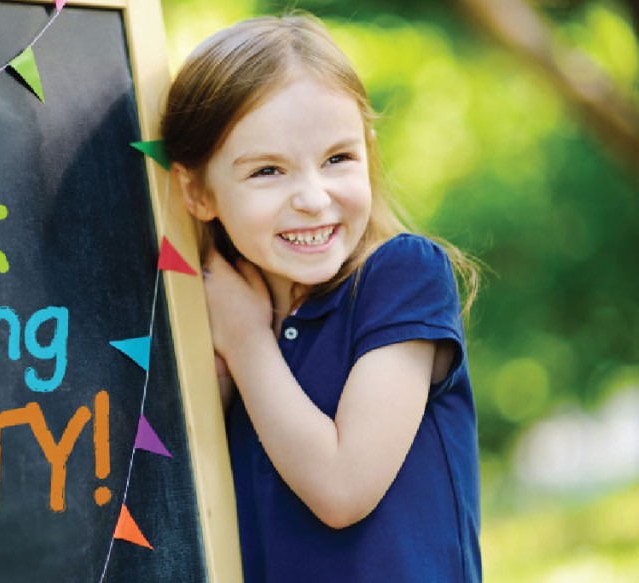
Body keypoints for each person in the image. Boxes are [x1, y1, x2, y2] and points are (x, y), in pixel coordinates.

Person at [161, 13, 482, 582]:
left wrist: (245, 340)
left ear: (368, 151)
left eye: (338, 158)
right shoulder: (215, 309)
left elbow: (343, 488)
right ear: (197, 191)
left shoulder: (402, 276)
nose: (313, 197)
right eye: (268, 171)